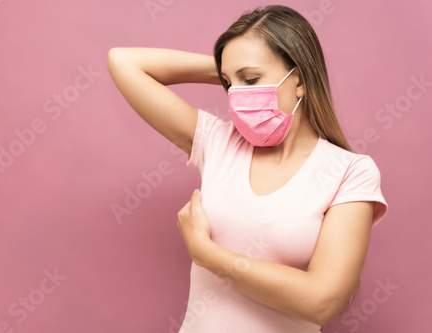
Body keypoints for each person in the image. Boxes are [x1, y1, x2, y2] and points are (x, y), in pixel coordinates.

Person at [107, 4, 388, 332]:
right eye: (230, 84)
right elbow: (123, 62)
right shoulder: (217, 141)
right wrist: (232, 69)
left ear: (299, 80)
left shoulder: (350, 172)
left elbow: (321, 301)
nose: (237, 95)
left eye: (251, 79)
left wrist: (206, 253)